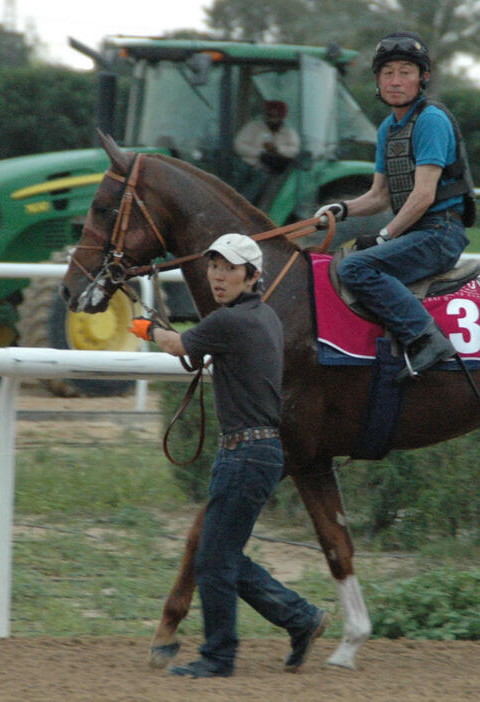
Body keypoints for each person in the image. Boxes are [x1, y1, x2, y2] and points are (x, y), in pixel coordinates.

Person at [128, 233, 328, 679]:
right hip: (257, 454)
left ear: (252, 276)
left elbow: (179, 346)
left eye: (228, 268)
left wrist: (147, 329)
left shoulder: (229, 322)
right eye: (213, 267)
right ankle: (301, 619)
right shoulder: (265, 318)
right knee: (223, 556)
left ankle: (220, 657)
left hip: (244, 455)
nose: (217, 276)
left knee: (213, 561)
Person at [313, 31, 476, 383]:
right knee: (337, 262)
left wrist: (386, 236)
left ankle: (427, 338)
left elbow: (423, 195)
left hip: (440, 232)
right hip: (419, 231)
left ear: (422, 78)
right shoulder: (389, 127)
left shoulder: (431, 120)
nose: (395, 81)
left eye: (405, 71)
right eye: (387, 73)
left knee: (355, 269)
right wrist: (339, 209)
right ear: (378, 80)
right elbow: (378, 196)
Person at [233, 100, 301, 174]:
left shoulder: (289, 133)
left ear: (282, 117)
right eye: (270, 116)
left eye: (276, 116)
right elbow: (239, 146)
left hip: (278, 175)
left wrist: (278, 149)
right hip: (251, 171)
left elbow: (295, 150)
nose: (272, 119)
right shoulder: (253, 127)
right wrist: (261, 153)